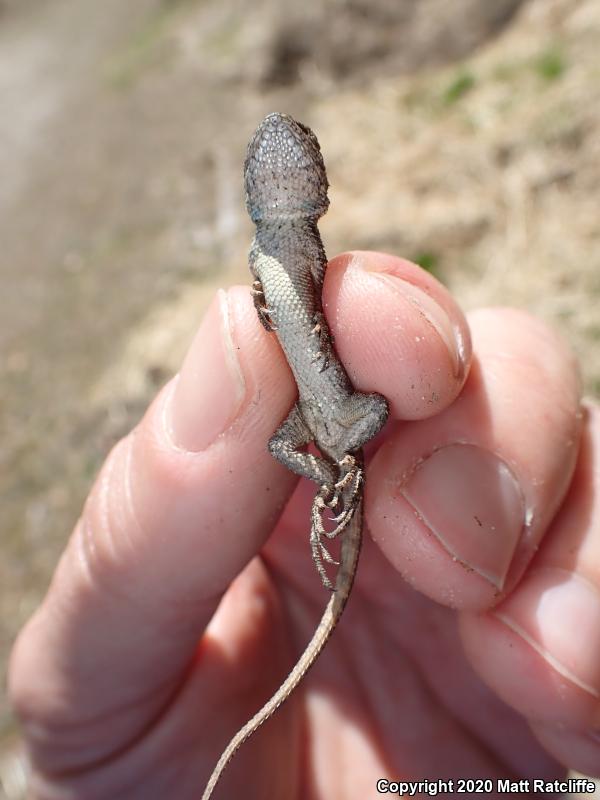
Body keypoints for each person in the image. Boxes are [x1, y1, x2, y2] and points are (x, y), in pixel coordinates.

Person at [9, 253, 600, 797]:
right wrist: (329, 478)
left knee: (389, 397)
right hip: (318, 421)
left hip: (345, 413)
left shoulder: (307, 252)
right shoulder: (264, 252)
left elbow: (348, 343)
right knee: (280, 440)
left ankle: (346, 480)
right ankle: (337, 483)